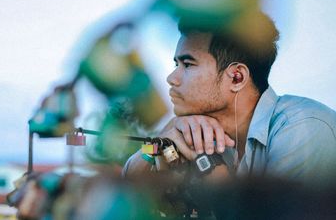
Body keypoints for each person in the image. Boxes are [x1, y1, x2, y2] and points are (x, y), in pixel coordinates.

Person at [122, 11, 336, 187]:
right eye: (175, 65)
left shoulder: (302, 127)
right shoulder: (201, 135)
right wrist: (159, 142)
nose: (171, 78)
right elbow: (128, 192)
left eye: (187, 64)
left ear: (236, 77)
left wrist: (207, 165)